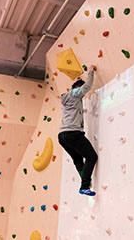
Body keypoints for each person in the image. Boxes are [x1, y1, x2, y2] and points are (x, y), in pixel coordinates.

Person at [58, 65, 98, 196]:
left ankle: (84, 180)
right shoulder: (75, 94)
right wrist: (90, 72)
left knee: (78, 159)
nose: (83, 95)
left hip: (62, 136)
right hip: (73, 133)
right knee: (92, 157)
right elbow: (86, 87)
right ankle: (84, 186)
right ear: (77, 89)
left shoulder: (67, 97)